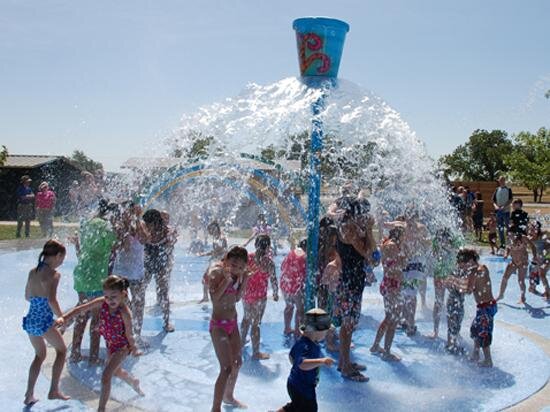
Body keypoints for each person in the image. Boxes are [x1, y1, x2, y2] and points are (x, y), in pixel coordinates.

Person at [63, 275, 144, 412]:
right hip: (110, 344)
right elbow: (83, 308)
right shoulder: (103, 302)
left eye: (113, 296)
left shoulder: (125, 312)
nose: (109, 300)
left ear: (123, 295)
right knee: (116, 371)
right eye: (106, 296)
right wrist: (64, 318)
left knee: (106, 376)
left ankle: (101, 409)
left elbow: (130, 334)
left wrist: (134, 348)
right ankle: (133, 381)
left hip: (122, 347)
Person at [22, 240, 69, 406]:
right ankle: (54, 390)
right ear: (57, 256)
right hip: (44, 321)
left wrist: (38, 300)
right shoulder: (54, 275)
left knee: (39, 355)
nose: (62, 262)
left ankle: (29, 395)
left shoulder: (32, 272)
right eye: (62, 258)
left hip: (31, 319)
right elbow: (51, 300)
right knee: (62, 351)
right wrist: (62, 316)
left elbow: (27, 296)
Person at [70, 200, 117, 364]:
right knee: (97, 319)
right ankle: (94, 356)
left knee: (82, 313)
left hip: (82, 272)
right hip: (97, 276)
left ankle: (75, 352)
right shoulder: (107, 226)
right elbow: (113, 247)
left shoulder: (87, 223)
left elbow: (81, 245)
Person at [334, 197, 375, 382]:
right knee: (348, 324)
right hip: (349, 283)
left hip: (352, 281)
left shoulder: (350, 224)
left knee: (348, 324)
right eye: (364, 212)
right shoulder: (348, 227)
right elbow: (370, 253)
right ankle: (346, 367)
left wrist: (366, 231)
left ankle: (344, 362)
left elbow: (373, 254)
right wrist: (370, 231)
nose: (366, 215)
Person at [208, 246, 249, 412]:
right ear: (226, 260)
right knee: (226, 368)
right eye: (233, 264)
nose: (236, 269)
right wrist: (226, 281)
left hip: (232, 323)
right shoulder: (218, 273)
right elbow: (215, 299)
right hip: (219, 326)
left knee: (237, 362)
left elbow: (237, 298)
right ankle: (215, 408)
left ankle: (228, 396)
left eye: (240, 267)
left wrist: (244, 279)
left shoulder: (237, 275)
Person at [275, 308, 334, 412]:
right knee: (310, 408)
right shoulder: (307, 346)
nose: (326, 334)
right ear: (316, 331)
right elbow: (302, 364)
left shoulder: (304, 342)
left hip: (296, 384)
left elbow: (291, 356)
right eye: (325, 331)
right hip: (302, 387)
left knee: (297, 406)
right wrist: (322, 361)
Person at [111, 201, 149, 344]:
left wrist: (138, 220)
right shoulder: (119, 226)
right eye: (128, 212)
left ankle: (137, 335)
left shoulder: (140, 224)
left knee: (139, 303)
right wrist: (126, 229)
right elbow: (124, 246)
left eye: (133, 211)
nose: (130, 214)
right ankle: (125, 335)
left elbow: (146, 239)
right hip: (121, 273)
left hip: (137, 272)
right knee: (123, 305)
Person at [241, 235, 279, 360]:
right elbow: (273, 279)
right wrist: (275, 293)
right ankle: (256, 352)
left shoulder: (248, 258)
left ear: (255, 245)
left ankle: (241, 342)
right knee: (255, 324)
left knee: (246, 319)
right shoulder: (268, 262)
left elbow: (242, 273)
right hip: (259, 298)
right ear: (268, 247)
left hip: (246, 294)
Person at [370, 228, 405, 361]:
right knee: (393, 319)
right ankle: (387, 352)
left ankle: (376, 346)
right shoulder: (392, 246)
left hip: (390, 284)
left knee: (389, 318)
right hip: (392, 286)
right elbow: (391, 268)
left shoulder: (389, 244)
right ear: (399, 235)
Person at [143, 209, 176, 332]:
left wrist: (170, 240)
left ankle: (166, 322)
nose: (146, 226)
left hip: (161, 265)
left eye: (148, 224)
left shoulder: (167, 231)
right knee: (141, 290)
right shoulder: (144, 230)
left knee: (164, 293)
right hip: (147, 264)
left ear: (156, 222)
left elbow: (171, 243)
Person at [465, 249, 497, 367]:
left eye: (465, 262)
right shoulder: (478, 270)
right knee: (475, 330)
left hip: (486, 306)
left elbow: (468, 290)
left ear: (471, 260)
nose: (464, 265)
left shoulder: (478, 270)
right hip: (484, 306)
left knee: (483, 332)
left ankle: (488, 360)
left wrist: (458, 283)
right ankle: (476, 354)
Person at [430, 228, 461, 339]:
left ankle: (456, 330)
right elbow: (434, 255)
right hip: (440, 274)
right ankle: (435, 330)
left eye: (445, 240)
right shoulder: (437, 244)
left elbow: (459, 253)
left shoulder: (454, 244)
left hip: (451, 275)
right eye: (441, 240)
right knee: (438, 302)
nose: (443, 242)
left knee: (456, 301)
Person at [496, 230, 537, 304]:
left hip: (523, 263)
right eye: (508, 235)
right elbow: (508, 248)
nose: (509, 236)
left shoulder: (523, 238)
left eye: (511, 234)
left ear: (515, 234)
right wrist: (506, 254)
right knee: (505, 277)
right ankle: (501, 295)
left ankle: (523, 297)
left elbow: (532, 246)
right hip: (513, 262)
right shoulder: (509, 240)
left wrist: (534, 256)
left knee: (521, 280)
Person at [444, 249, 472, 354]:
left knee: (457, 323)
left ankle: (452, 344)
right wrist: (458, 286)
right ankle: (450, 345)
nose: (467, 265)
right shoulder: (455, 271)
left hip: (459, 301)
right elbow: (447, 283)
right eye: (466, 263)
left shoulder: (465, 272)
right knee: (452, 323)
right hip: (452, 301)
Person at [280, 238, 307, 337]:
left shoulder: (290, 253)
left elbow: (282, 267)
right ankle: (297, 331)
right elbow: (306, 273)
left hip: (285, 284)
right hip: (296, 287)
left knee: (289, 306)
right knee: (300, 309)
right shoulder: (305, 256)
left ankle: (287, 328)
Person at [199, 221, 228, 303]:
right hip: (215, 262)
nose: (210, 232)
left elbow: (223, 250)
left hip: (220, 263)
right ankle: (206, 297)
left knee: (208, 280)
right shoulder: (216, 238)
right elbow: (216, 251)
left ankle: (210, 297)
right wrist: (206, 254)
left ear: (215, 229)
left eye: (210, 230)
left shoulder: (222, 238)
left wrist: (213, 255)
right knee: (205, 280)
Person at [527, 221, 549, 299]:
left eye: (532, 228)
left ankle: (548, 293)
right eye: (530, 228)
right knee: (532, 269)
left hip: (547, 257)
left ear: (537, 229)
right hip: (540, 257)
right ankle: (532, 287)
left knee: (542, 274)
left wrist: (544, 255)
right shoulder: (530, 237)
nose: (530, 230)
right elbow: (533, 247)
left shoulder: (544, 235)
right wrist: (535, 256)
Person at [492, 176, 513, 250]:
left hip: (506, 211)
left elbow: (510, 199)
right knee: (500, 228)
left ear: (504, 181)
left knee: (508, 228)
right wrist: (496, 207)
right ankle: (502, 244)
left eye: (502, 180)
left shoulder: (508, 189)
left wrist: (504, 206)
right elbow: (493, 200)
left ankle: (509, 243)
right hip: (498, 211)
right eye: (500, 180)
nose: (501, 182)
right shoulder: (497, 189)